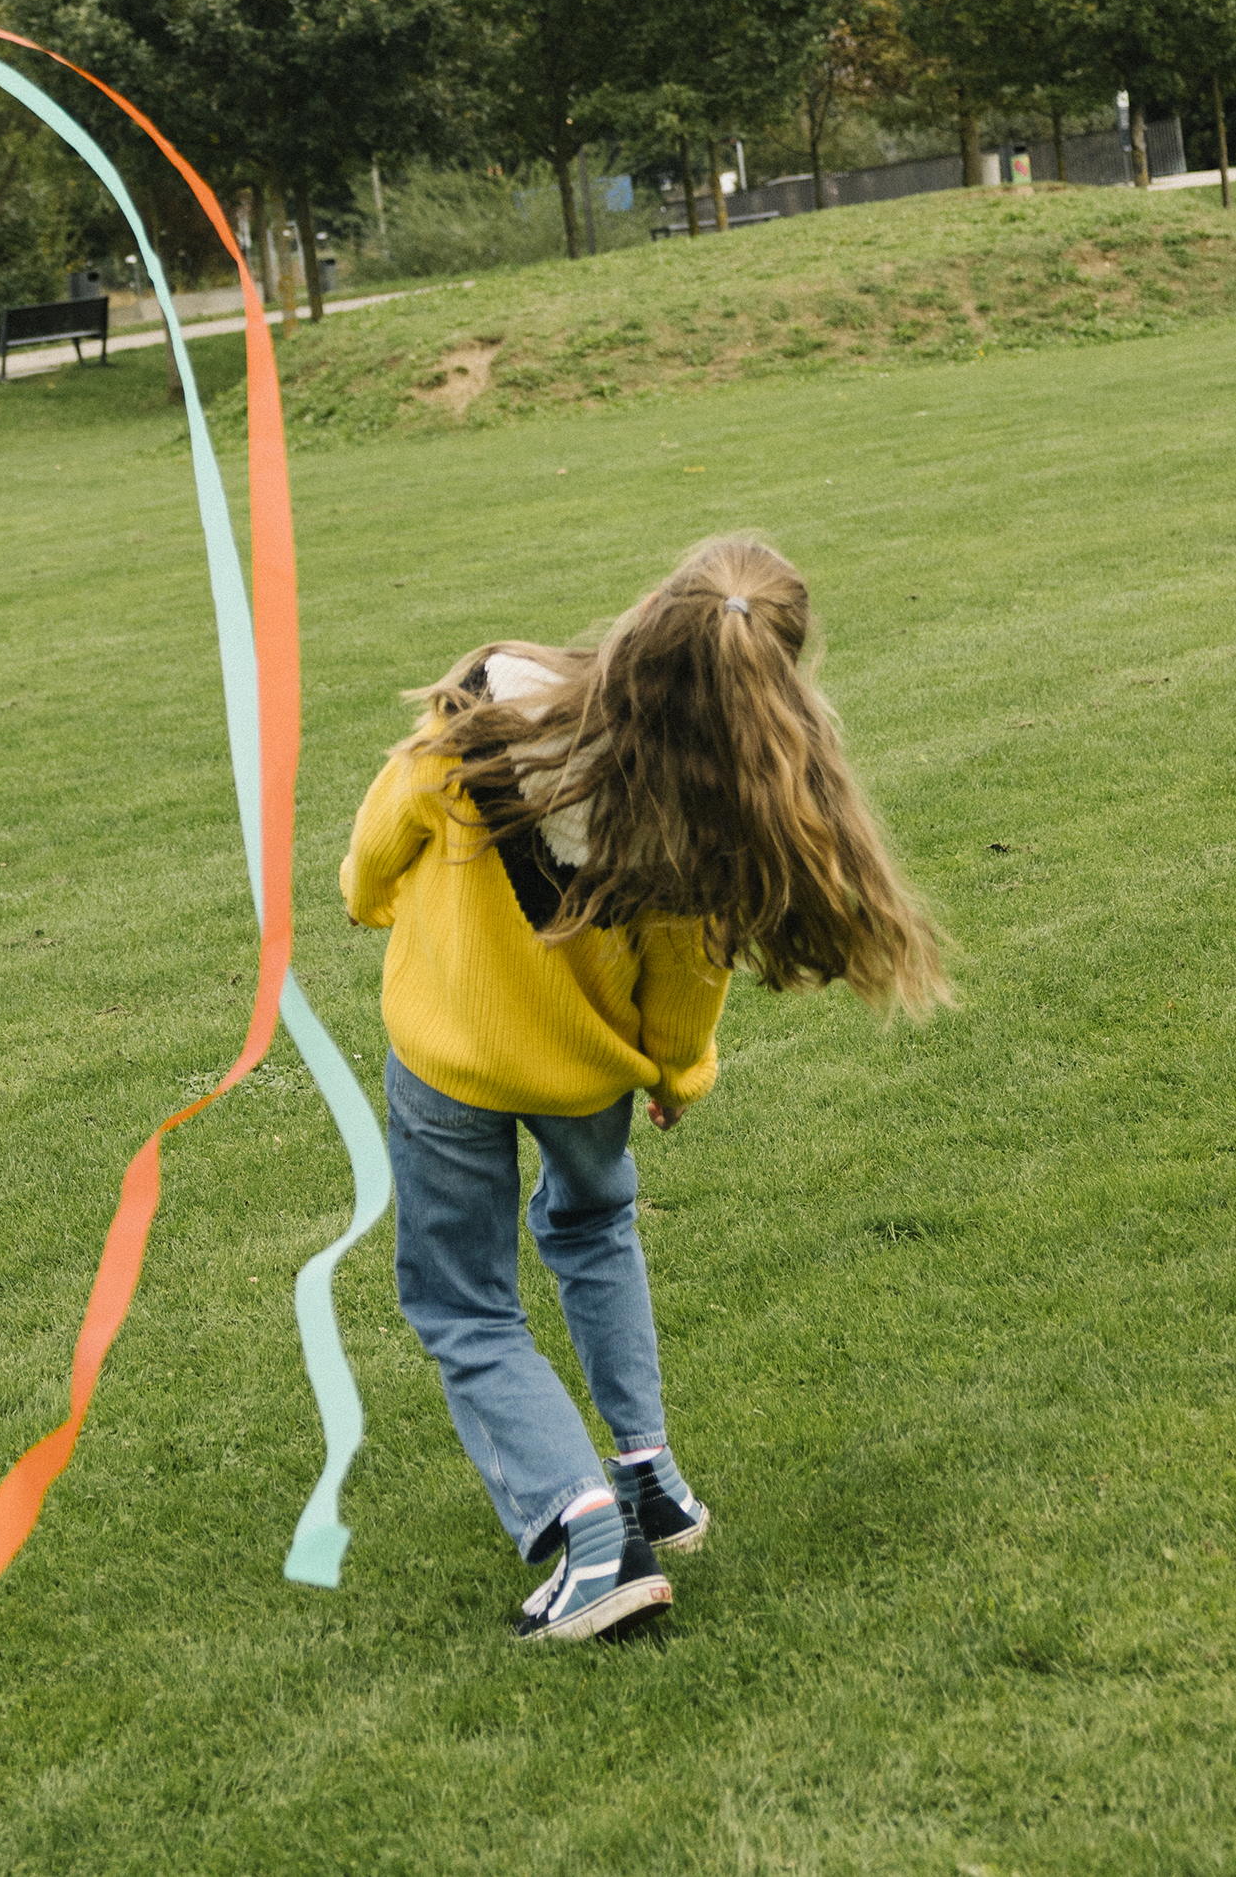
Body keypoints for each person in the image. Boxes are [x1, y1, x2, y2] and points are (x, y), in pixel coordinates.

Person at [341, 533, 946, 1644]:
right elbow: (683, 979)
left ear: (644, 621)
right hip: (585, 1082)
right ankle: (645, 1474)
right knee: (590, 1226)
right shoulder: (705, 814)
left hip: (447, 1062)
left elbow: (379, 838)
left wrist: (371, 896)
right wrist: (675, 1069)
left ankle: (588, 1537)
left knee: (462, 1301)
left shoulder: (481, 709)